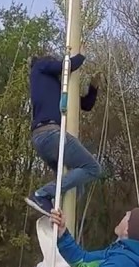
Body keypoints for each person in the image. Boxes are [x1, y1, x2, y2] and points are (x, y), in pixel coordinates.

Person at [25, 54, 102, 216]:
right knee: (92, 168)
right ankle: (41, 195)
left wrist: (93, 88)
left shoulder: (56, 89)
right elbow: (67, 66)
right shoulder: (39, 67)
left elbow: (86, 105)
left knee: (75, 189)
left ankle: (53, 211)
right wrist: (81, 54)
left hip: (44, 138)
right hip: (50, 133)